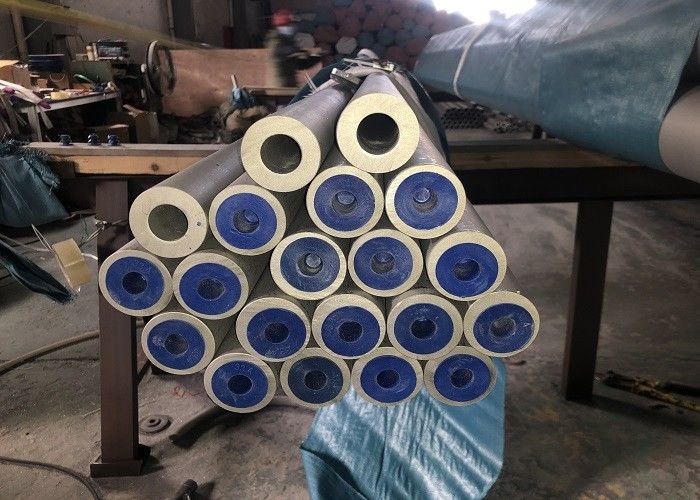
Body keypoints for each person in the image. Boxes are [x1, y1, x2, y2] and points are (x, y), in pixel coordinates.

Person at [265, 9, 320, 88]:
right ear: (283, 26)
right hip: (281, 87)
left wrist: (315, 57)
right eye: (290, 24)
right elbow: (298, 62)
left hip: (288, 85)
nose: (293, 27)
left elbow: (299, 62)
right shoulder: (276, 41)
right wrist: (314, 57)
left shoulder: (287, 40)